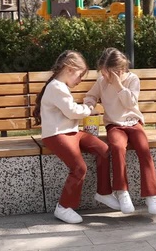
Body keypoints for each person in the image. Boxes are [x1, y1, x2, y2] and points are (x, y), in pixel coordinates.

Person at [33, 50, 120, 224]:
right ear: (69, 69)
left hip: (72, 132)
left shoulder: (61, 86)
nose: (80, 81)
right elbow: (72, 111)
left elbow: (70, 111)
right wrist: (88, 109)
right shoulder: (56, 87)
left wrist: (85, 109)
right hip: (56, 134)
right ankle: (63, 207)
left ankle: (104, 192)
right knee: (79, 168)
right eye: (80, 76)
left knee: (103, 150)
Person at [84, 48, 156, 215]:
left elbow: (130, 103)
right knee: (118, 148)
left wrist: (118, 85)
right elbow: (90, 96)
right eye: (102, 72)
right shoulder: (101, 82)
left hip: (133, 122)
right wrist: (90, 104)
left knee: (143, 148)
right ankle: (122, 192)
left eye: (106, 73)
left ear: (118, 71)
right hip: (114, 124)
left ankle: (152, 195)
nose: (104, 76)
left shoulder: (132, 79)